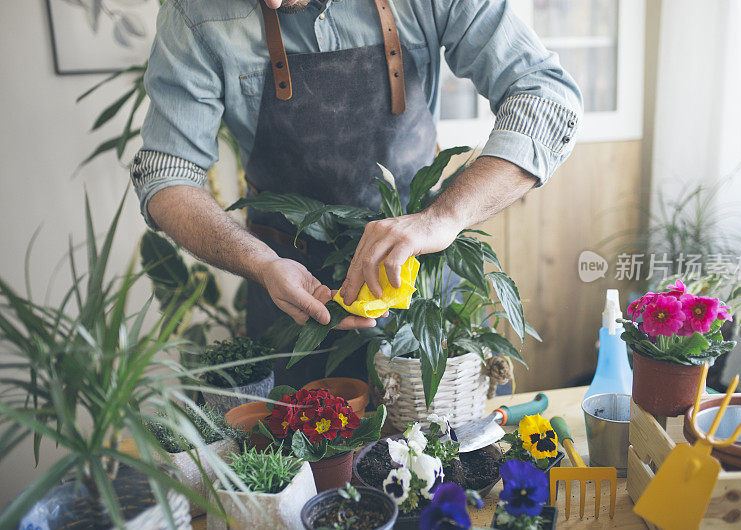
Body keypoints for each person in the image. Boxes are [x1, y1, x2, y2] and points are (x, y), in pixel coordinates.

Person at [131, 0, 582, 388]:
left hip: (424, 289)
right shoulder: (192, 13)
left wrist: (442, 217)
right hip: (290, 301)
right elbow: (167, 174)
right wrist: (262, 263)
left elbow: (547, 96)